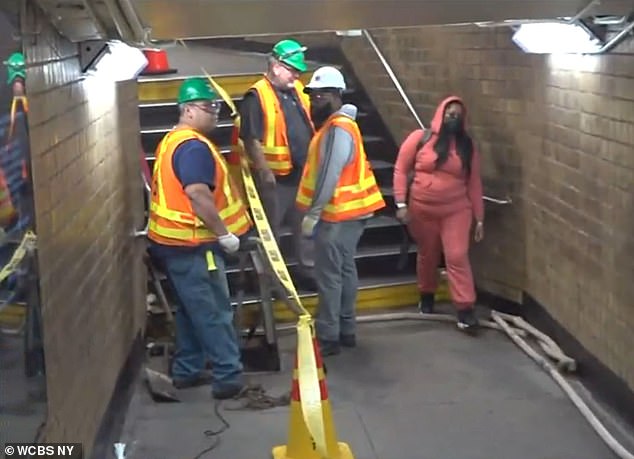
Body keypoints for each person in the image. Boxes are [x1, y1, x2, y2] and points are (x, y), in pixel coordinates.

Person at [147, 77, 252, 399]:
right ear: (189, 110)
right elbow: (197, 193)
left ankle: (187, 371)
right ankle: (228, 377)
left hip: (174, 245)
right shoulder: (193, 147)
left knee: (192, 311)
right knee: (214, 312)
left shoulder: (172, 141)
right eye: (210, 107)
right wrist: (225, 235)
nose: (215, 114)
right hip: (194, 245)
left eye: (217, 107)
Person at [296, 66, 386, 355]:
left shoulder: (337, 130)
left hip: (336, 217)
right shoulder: (342, 126)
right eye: (312, 95)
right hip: (351, 214)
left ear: (336, 96)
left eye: (322, 95)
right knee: (345, 271)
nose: (315, 100)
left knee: (330, 276)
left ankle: (328, 336)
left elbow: (328, 174)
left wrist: (313, 214)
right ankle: (346, 330)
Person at [393, 96, 484, 334]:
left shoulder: (467, 147)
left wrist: (479, 217)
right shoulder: (419, 138)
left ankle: (465, 308)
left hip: (456, 210)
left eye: (458, 114)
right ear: (440, 113)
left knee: (457, 255)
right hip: (422, 209)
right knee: (428, 254)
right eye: (449, 112)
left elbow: (474, 183)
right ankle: (426, 294)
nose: (453, 117)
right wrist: (401, 203)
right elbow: (401, 170)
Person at [232, 38, 316, 290]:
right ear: (276, 67)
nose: (296, 76)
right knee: (270, 231)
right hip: (275, 179)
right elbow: (250, 138)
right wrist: (265, 172)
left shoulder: (298, 91)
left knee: (305, 228)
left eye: (298, 71)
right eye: (292, 70)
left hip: (302, 173)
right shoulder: (256, 95)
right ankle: (269, 279)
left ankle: (307, 271)